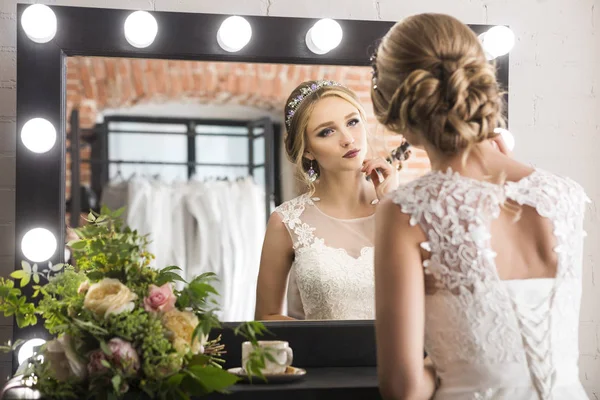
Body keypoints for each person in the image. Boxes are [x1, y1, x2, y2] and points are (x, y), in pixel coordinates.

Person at [371, 13, 590, 400]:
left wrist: (450, 363)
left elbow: (403, 390)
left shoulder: (408, 210)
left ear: (397, 112)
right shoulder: (564, 195)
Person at [254, 80, 399, 321]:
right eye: (326, 131)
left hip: (402, 358)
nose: (347, 139)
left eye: (352, 122)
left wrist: (394, 208)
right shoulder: (287, 221)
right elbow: (266, 319)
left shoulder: (403, 207)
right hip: (323, 358)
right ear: (308, 150)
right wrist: (323, 340)